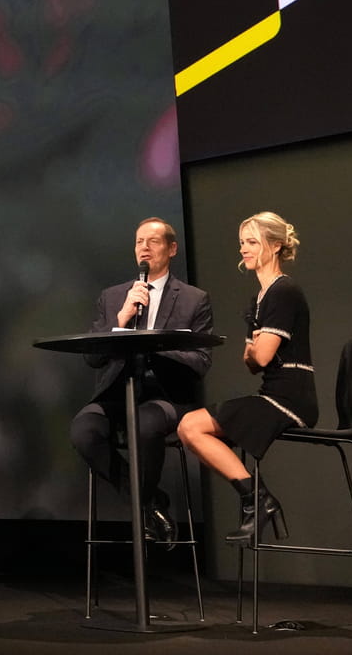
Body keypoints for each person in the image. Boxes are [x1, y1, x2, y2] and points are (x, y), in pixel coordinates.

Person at [70, 218, 213, 546]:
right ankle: (149, 504)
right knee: (83, 432)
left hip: (166, 394)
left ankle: (144, 505)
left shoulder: (194, 299)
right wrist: (119, 321)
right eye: (138, 242)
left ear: (172, 248)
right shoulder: (113, 297)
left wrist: (156, 346)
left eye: (153, 241)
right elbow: (92, 356)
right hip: (118, 392)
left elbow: (201, 362)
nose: (144, 248)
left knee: (145, 423)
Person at [177, 211, 317, 544]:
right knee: (190, 427)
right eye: (242, 243)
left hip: (289, 399)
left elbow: (261, 355)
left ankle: (258, 500)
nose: (243, 249)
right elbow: (252, 363)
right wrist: (254, 352)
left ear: (276, 245)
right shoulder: (259, 298)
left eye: (252, 242)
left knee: (190, 426)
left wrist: (254, 351)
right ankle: (257, 500)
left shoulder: (283, 292)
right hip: (273, 391)